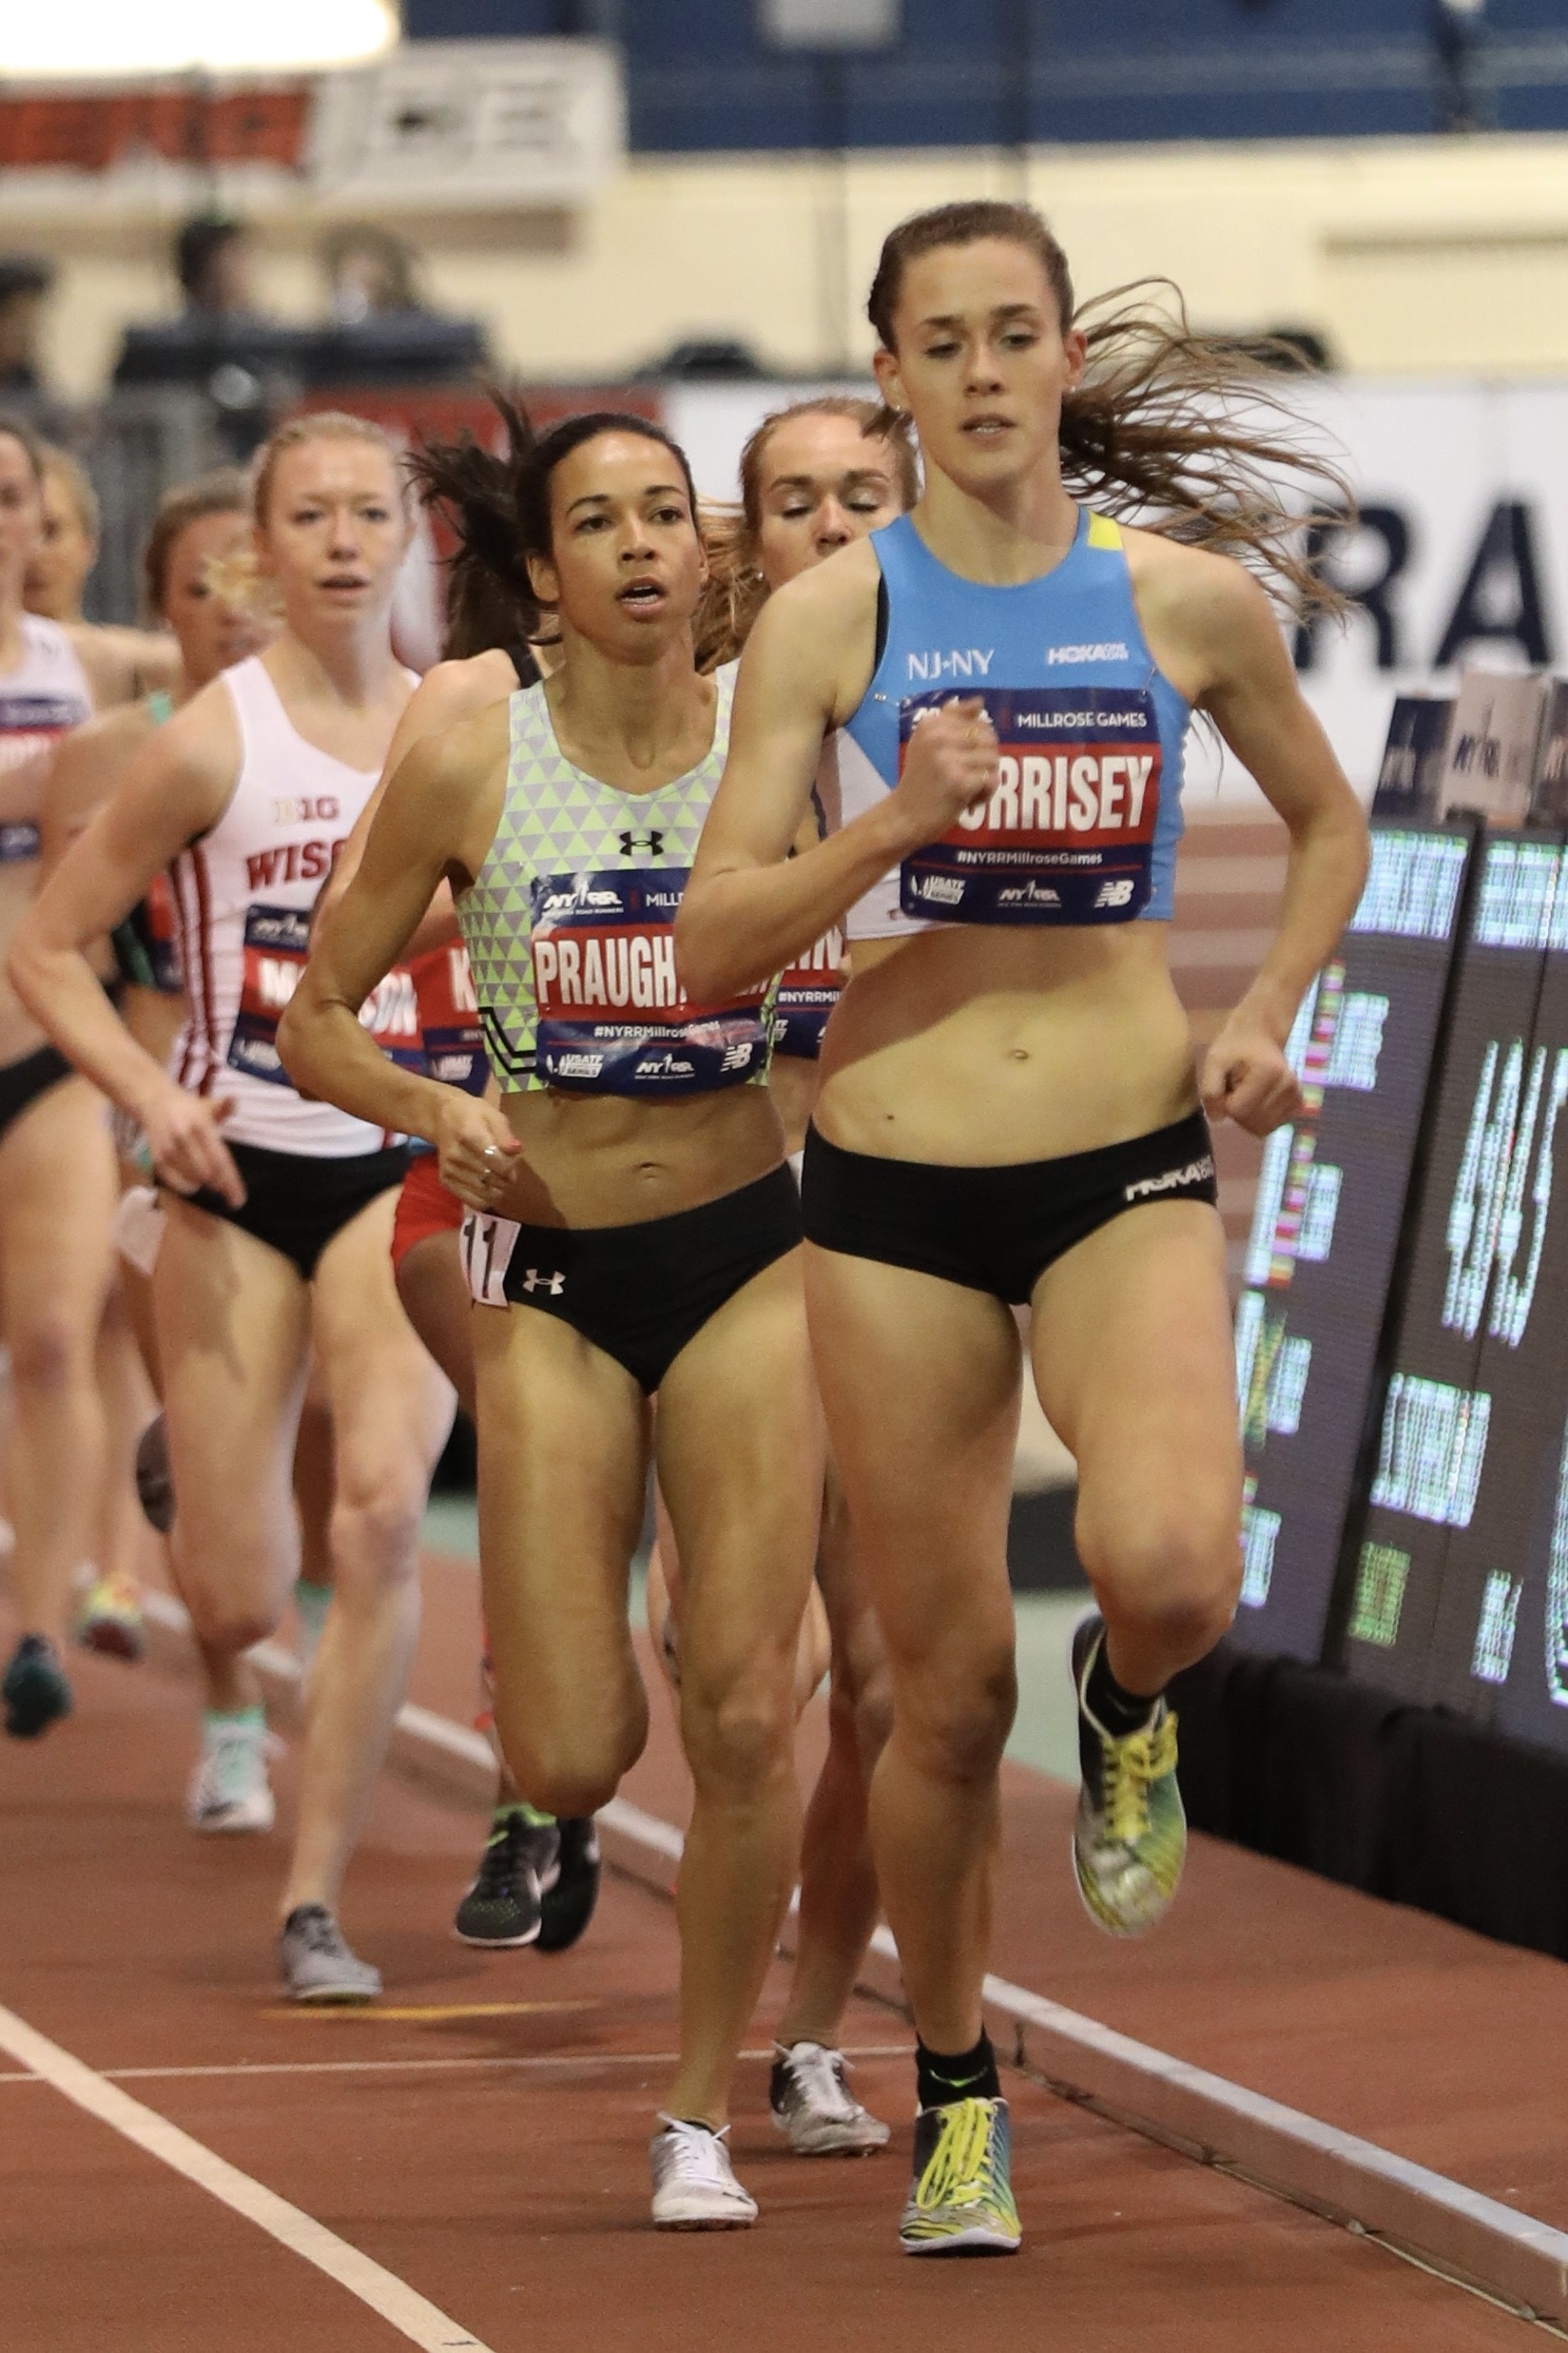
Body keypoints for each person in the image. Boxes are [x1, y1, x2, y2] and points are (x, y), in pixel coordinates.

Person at [677, 199, 1370, 2253]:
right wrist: (897, 817)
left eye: (1010, 333)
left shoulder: (1178, 603)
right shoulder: (831, 621)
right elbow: (714, 935)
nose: (978, 371)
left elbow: (1326, 822)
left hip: (1119, 1152)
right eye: (940, 341)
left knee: (1168, 1567)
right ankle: (957, 2092)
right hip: (891, 1187)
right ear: (887, 373)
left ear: (1064, 355)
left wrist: (1261, 1009)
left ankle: (1130, 1701)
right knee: (944, 1690)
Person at [279, 407, 822, 2230]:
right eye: (599, 521)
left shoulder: (774, 730)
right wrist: (434, 1108)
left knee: (745, 1707)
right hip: (555, 1274)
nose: (643, 544)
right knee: (574, 1745)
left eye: (667, 513)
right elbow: (316, 1018)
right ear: (540, 572)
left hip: (744, 1248)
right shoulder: (471, 746)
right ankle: (573, 1737)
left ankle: (695, 2110)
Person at [10, 412, 455, 1996]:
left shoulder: (458, 728)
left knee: (384, 1509)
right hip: (233, 1169)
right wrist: (148, 1098)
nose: (340, 541)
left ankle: (312, 1897)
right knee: (236, 1590)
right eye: (309, 516)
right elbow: (46, 946)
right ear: (263, 550)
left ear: (409, 536)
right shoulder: (211, 737)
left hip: (397, 1167)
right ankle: (191, 1496)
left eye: (367, 512)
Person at [661, 394, 921, 2157]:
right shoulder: (696, 738)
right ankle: (702, 2019)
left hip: (902, 1226)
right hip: (726, 1237)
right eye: (794, 500)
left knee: (897, 1686)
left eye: (862, 495)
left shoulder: (967, 721)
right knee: (758, 1680)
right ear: (744, 538)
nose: (831, 526)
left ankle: (813, 2030)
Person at [308, 432, 601, 1956]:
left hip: (688, 1186)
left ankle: (583, 1756)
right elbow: (339, 939)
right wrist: (490, 876)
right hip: (479, 1168)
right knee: (535, 1462)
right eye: (590, 529)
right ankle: (528, 1788)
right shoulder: (467, 710)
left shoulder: (719, 709)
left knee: (656, 1532)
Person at [39, 468, 272, 1659]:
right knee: (184, 1392)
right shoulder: (111, 751)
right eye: (204, 581)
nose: (236, 602)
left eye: (254, 574)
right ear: (163, 603)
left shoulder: (363, 737)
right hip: (152, 1092)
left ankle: (318, 1599)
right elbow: (58, 945)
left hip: (309, 1091)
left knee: (324, 1412)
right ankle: (209, 1677)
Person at [0, 414, 124, 1735]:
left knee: (49, 1337)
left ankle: (36, 1629)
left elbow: (235, 672)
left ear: (42, 517)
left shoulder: (88, 662)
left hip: (47, 1050)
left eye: (8, 493)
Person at [24, 442, 181, 706]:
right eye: (17, 534)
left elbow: (161, 716)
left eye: (51, 532)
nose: (34, 554)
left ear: (89, 545)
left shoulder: (140, 672)